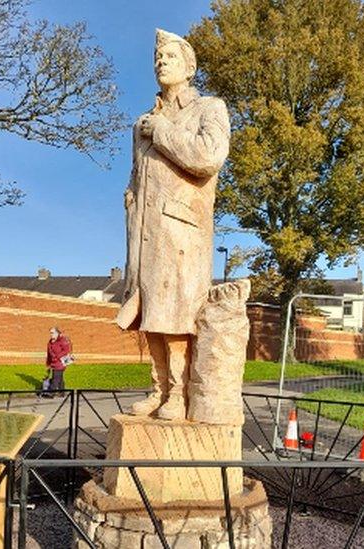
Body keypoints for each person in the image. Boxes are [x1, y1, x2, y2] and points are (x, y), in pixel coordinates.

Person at [115, 29, 230, 421]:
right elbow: (137, 174)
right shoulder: (143, 121)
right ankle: (158, 388)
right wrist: (130, 200)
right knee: (151, 314)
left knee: (177, 314)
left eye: (169, 56)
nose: (161, 62)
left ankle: (179, 394)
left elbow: (208, 157)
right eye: (157, 58)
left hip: (183, 230)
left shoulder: (209, 109)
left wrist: (162, 133)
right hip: (146, 233)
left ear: (189, 66)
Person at [44, 327, 72, 395]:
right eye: (50, 333)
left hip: (60, 362)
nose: (51, 334)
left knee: (55, 378)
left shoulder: (62, 340)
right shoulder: (50, 342)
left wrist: (58, 356)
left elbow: (66, 350)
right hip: (53, 362)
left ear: (57, 333)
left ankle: (51, 393)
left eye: (52, 333)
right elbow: (49, 353)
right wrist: (48, 363)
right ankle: (62, 391)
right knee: (60, 377)